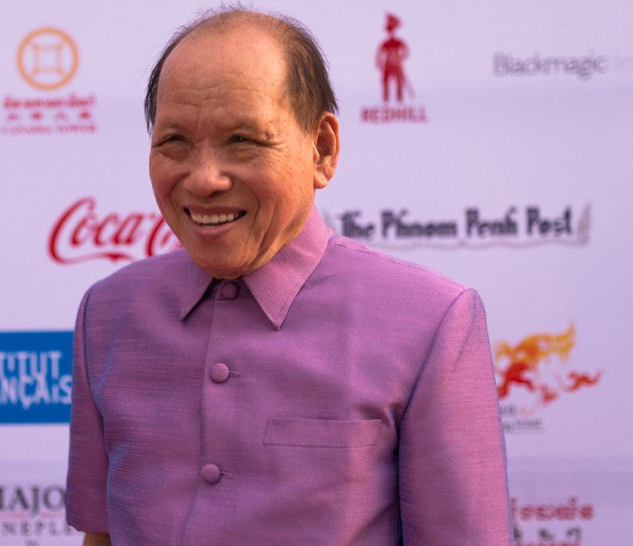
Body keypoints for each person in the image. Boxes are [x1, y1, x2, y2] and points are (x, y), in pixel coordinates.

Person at [67, 7, 511, 545]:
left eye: (243, 140)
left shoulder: (431, 321)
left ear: (322, 149)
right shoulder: (107, 314)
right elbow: (101, 535)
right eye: (174, 142)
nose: (203, 179)